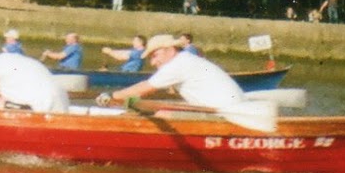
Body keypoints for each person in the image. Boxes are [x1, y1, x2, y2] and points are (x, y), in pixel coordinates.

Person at [96, 34, 242, 112]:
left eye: (155, 55)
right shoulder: (185, 59)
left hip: (226, 115)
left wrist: (111, 96)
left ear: (171, 50)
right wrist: (129, 101)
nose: (153, 63)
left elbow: (145, 87)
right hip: (225, 110)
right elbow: (149, 92)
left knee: (163, 113)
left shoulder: (178, 64)